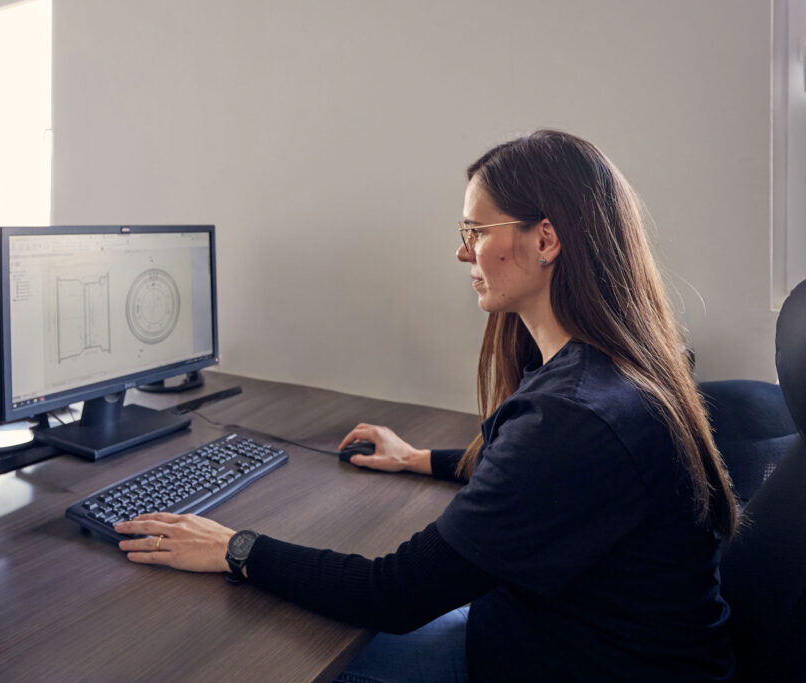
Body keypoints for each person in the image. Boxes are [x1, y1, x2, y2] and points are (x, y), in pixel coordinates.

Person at [114, 130, 738, 682]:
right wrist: (419, 459)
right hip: (569, 636)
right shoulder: (615, 370)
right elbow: (541, 484)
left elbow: (392, 595)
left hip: (557, 659)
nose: (463, 253)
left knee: (265, 657)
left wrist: (234, 547)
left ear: (545, 239)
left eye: (475, 232)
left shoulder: (572, 418)